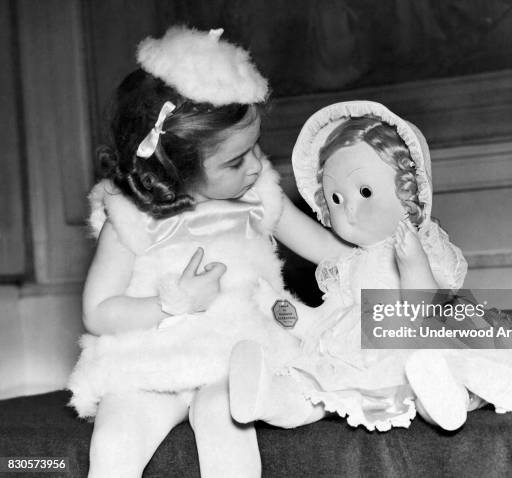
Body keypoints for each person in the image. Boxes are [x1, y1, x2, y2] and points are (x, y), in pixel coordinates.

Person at [68, 27, 350, 478]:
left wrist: (393, 253)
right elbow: (98, 312)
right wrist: (170, 304)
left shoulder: (260, 196)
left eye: (256, 147)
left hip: (238, 352)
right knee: (115, 438)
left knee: (227, 415)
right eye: (236, 161)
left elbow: (331, 252)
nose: (257, 164)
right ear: (175, 167)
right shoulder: (131, 219)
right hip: (150, 358)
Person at [228, 101, 512, 437]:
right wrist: (259, 182)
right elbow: (291, 224)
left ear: (409, 187)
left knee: (438, 360)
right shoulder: (347, 256)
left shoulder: (421, 246)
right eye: (335, 198)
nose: (348, 209)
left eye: (364, 191)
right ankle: (267, 399)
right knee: (315, 381)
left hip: (413, 335)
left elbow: (430, 307)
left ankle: (444, 400)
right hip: (355, 348)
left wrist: (413, 264)